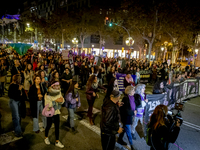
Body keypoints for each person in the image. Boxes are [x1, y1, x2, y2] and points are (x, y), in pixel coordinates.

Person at [44, 80, 65, 148]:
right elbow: (47, 104)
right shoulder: (48, 94)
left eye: (59, 85)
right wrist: (55, 101)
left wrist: (62, 101)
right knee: (49, 125)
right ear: (53, 86)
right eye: (57, 85)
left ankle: (57, 141)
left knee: (57, 127)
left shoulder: (59, 92)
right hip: (50, 112)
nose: (58, 87)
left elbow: (62, 100)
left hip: (56, 112)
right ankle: (46, 137)